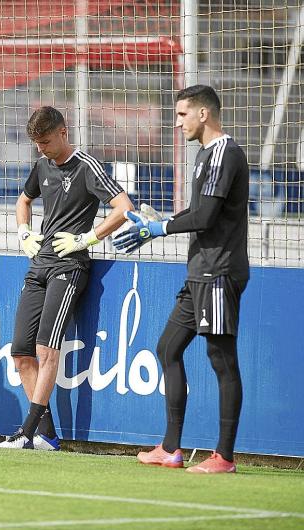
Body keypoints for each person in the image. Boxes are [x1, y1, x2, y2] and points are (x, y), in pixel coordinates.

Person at [113, 85, 249, 473]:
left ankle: (224, 457)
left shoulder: (225, 153)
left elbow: (205, 218)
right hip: (199, 273)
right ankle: (171, 449)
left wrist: (161, 228)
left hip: (219, 272)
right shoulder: (205, 155)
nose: (177, 123)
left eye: (182, 115)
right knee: (168, 348)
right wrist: (159, 223)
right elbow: (201, 208)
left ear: (204, 114)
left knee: (222, 360)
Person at [0, 106, 134, 450]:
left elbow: (124, 207)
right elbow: (23, 201)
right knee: (21, 353)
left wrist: (86, 239)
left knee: (46, 350)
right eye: (36, 144)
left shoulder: (86, 166)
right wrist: (24, 231)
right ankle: (47, 435)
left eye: (44, 141)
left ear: (62, 132)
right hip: (39, 265)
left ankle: (26, 433)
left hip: (69, 268)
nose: (40, 149)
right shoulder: (42, 165)